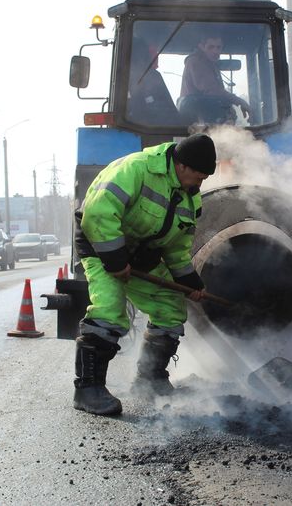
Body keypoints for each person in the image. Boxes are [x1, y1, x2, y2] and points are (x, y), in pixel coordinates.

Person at [73, 133, 216, 416]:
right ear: (182, 165)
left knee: (170, 308)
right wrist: (115, 260)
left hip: (140, 256)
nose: (200, 185)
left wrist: (189, 283)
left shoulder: (190, 198)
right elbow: (98, 212)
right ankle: (87, 389)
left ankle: (149, 379)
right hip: (102, 247)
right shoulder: (137, 168)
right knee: (109, 311)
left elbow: (177, 247)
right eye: (198, 177)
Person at [178, 32, 250, 124]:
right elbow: (212, 90)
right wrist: (239, 101)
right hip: (196, 124)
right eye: (211, 47)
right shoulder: (195, 62)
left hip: (206, 120)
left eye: (218, 47)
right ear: (202, 47)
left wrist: (228, 107)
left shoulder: (211, 64)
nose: (215, 51)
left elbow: (217, 96)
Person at [127, 37, 181, 125]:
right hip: (134, 128)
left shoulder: (154, 76)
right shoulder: (125, 79)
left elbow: (171, 111)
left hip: (159, 128)